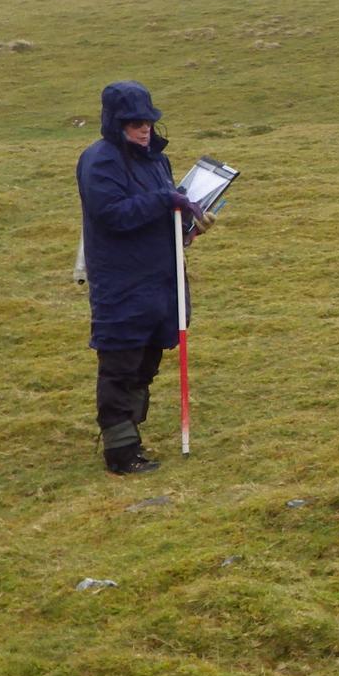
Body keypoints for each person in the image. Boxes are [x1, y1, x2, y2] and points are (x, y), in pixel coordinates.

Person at [75, 80, 217, 475]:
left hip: (160, 278)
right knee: (121, 361)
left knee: (147, 358)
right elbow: (114, 215)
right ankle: (120, 453)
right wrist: (165, 200)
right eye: (136, 123)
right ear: (115, 123)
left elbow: (161, 213)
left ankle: (130, 433)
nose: (145, 129)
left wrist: (187, 226)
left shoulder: (156, 160)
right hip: (122, 283)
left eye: (149, 121)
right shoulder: (100, 161)